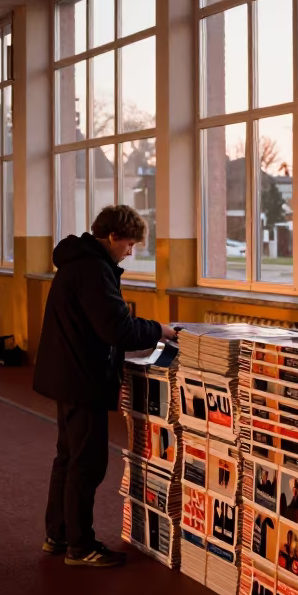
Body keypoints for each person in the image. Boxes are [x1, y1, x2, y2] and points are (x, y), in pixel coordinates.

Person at [34, 205, 177, 567]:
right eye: (129, 244)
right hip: (83, 377)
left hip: (65, 372)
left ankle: (59, 534)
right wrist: (158, 329)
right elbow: (118, 329)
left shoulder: (76, 262)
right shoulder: (94, 270)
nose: (130, 252)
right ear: (113, 237)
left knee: (68, 457)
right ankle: (80, 547)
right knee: (87, 463)